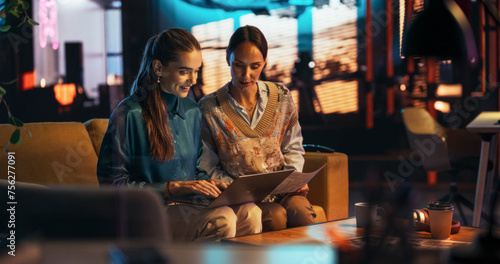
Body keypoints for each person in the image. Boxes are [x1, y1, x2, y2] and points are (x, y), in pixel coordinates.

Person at [97, 28, 262, 242]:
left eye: (196, 70)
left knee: (251, 211)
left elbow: (195, 171)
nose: (193, 79)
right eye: (184, 71)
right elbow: (112, 185)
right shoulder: (128, 114)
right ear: (158, 67)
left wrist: (213, 185)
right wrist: (171, 188)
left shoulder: (192, 111)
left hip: (189, 205)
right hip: (146, 214)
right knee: (222, 219)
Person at [199, 25, 316, 231]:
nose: (246, 75)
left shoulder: (281, 96)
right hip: (243, 198)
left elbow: (293, 147)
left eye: (255, 66)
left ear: (264, 62)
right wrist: (239, 189)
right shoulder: (209, 108)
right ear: (228, 60)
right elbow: (207, 166)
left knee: (302, 212)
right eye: (239, 65)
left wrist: (294, 178)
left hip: (283, 189)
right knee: (275, 216)